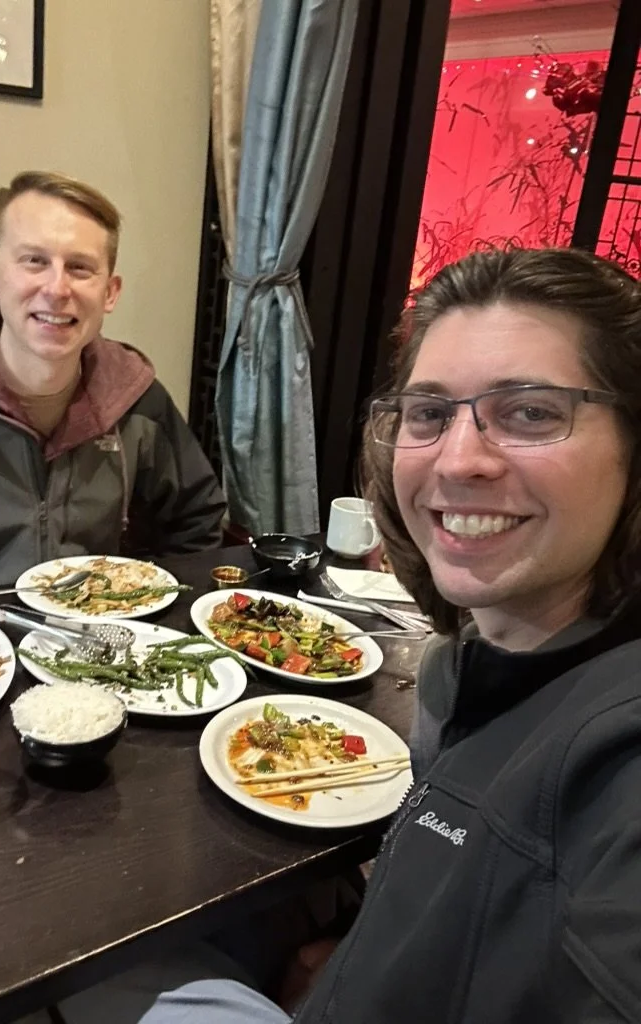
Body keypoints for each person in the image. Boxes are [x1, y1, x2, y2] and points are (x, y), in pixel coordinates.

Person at [49, 245, 641, 1024]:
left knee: (70, 958)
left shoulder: (619, 759)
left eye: (531, 412)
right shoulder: (459, 672)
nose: (460, 459)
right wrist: (352, 962)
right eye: (429, 413)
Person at [0, 171, 226, 600]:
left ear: (110, 292)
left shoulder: (135, 397)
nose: (57, 289)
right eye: (34, 261)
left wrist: (148, 604)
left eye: (80, 268)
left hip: (90, 627)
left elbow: (197, 521)